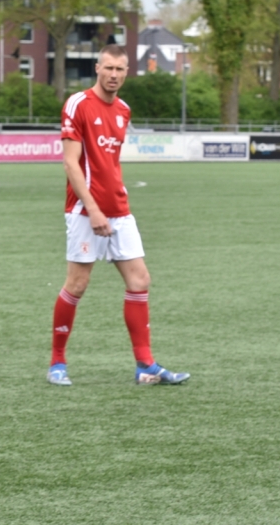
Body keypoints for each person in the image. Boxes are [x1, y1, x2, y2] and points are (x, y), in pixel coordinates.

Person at [48, 44, 189, 387]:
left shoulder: (124, 110)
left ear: (127, 73)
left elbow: (109, 164)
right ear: (97, 68)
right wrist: (94, 209)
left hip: (119, 210)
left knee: (139, 280)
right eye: (108, 68)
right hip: (85, 211)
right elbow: (70, 163)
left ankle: (146, 365)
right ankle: (57, 363)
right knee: (77, 284)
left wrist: (111, 205)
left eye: (120, 69)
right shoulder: (78, 104)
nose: (113, 75)